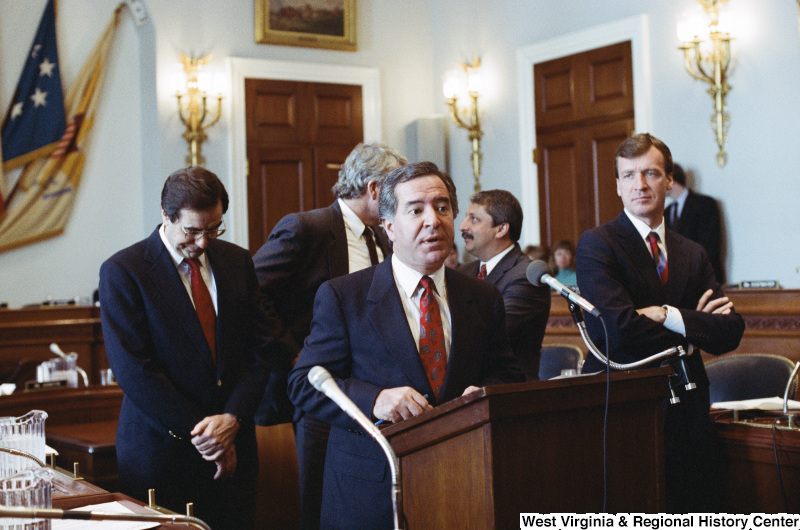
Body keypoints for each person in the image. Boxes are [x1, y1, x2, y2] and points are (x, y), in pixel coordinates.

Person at [287, 161, 525, 528]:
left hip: (463, 484)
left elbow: (507, 375)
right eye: (416, 210)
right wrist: (375, 398)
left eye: (442, 207)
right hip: (372, 490)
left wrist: (484, 394)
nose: (433, 219)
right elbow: (305, 383)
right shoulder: (344, 295)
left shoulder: (483, 296)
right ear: (389, 227)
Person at [99, 166, 293, 529]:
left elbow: (262, 348)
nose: (204, 242)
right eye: (192, 230)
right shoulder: (124, 271)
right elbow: (135, 371)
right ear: (165, 215)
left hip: (236, 446)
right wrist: (208, 438)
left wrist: (233, 420)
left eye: (214, 228)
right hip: (163, 453)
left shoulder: (236, 262)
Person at [575, 133, 745, 513]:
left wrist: (668, 314)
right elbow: (618, 330)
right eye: (629, 175)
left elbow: (730, 331)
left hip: (687, 406)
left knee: (691, 509)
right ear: (617, 185)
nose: (640, 184)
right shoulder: (598, 244)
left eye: (650, 173)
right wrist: (694, 324)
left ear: (669, 180)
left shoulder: (692, 251)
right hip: (621, 403)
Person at [252, 142, 406, 529]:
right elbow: (250, 294)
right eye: (393, 193)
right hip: (315, 396)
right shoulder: (307, 228)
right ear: (374, 189)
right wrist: (293, 357)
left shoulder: (383, 236)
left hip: (369, 393)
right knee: (316, 503)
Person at [458, 189, 551, 380]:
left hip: (508, 393)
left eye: (473, 219)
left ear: (501, 229)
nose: (462, 226)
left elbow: (492, 335)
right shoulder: (462, 273)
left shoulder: (526, 275)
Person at [666, 163, 725, 284]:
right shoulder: (665, 212)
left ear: (670, 180)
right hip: (677, 283)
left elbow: (710, 246)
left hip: (705, 279)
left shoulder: (705, 204)